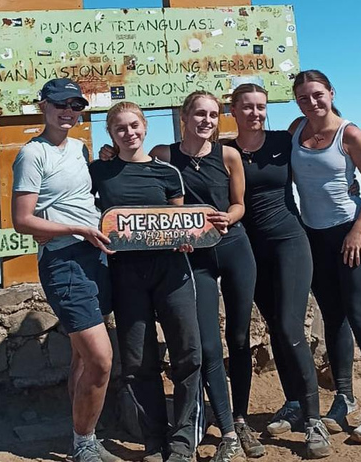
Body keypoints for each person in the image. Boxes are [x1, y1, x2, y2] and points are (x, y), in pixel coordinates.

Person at [146, 91, 264, 462]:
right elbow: (136, 173)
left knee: (240, 337)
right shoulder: (164, 155)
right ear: (184, 116)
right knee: (208, 346)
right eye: (199, 114)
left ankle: (241, 418)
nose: (207, 121)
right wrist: (105, 157)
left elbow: (239, 203)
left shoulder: (228, 155)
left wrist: (229, 217)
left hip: (234, 250)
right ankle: (228, 430)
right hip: (193, 259)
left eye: (213, 115)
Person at [11, 78, 120, 462]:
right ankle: (85, 442)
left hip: (95, 256)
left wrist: (103, 160)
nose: (69, 112)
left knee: (80, 357)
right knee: (101, 359)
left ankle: (82, 440)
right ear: (43, 106)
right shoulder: (31, 154)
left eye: (75, 105)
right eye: (61, 105)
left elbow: (78, 195)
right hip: (64, 261)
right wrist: (75, 228)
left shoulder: (80, 147)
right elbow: (22, 221)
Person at [289, 70, 361, 445]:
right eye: (303, 98)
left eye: (317, 95)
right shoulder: (296, 130)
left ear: (331, 93)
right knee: (332, 318)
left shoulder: (349, 134)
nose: (312, 102)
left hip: (354, 233)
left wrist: (357, 230)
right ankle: (344, 397)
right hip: (314, 236)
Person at [90, 102, 203, 462]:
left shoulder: (168, 173)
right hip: (126, 274)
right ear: (110, 133)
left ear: (145, 127)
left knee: (188, 354)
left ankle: (184, 443)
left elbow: (180, 220)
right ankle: (155, 440)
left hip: (172, 271)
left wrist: (186, 237)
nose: (129, 133)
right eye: (120, 128)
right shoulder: (100, 172)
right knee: (138, 362)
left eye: (134, 126)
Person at [226, 83, 331, 458]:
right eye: (248, 107)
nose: (255, 113)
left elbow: (323, 139)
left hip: (289, 242)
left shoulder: (283, 141)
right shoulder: (224, 151)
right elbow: (176, 160)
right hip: (250, 251)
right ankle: (294, 403)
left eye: (261, 107)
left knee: (289, 328)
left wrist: (347, 178)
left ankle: (314, 420)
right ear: (233, 110)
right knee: (275, 327)